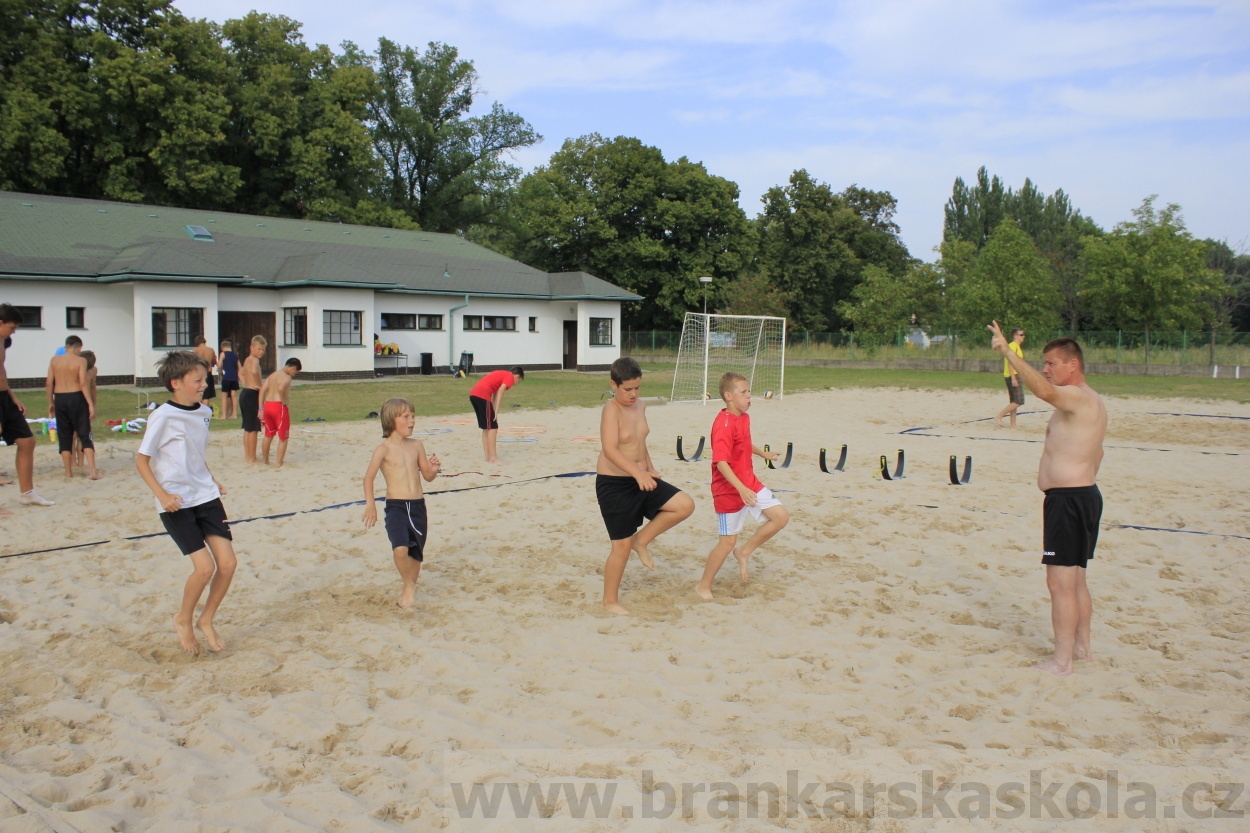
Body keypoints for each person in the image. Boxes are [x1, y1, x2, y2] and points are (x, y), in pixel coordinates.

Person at [989, 321, 1107, 676]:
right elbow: (1097, 454)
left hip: (1069, 501)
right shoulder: (1092, 402)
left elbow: (1041, 391)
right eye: (1044, 362)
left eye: (1052, 363)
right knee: (1076, 580)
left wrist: (1008, 352)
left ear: (1073, 365)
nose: (1045, 369)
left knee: (1059, 583)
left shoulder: (1074, 397)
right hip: (1083, 496)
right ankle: (1082, 647)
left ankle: (1062, 661)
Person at [135, 350, 237, 655]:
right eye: (197, 380)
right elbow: (142, 462)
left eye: (205, 379)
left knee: (228, 564)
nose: (203, 385)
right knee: (204, 568)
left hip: (205, 496)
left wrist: (210, 478)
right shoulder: (162, 416)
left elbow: (195, 454)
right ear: (175, 382)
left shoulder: (204, 413)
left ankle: (206, 619)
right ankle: (183, 618)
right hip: (176, 502)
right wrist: (163, 496)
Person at [596, 357, 694, 615]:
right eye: (627, 389)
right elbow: (609, 450)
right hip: (615, 484)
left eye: (638, 388)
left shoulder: (640, 406)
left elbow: (640, 441)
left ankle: (642, 541)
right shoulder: (611, 410)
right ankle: (609, 602)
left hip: (641, 476)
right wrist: (639, 473)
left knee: (684, 505)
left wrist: (648, 468)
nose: (634, 394)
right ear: (613, 385)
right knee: (621, 546)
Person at [696, 372, 789, 600]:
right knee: (726, 542)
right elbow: (721, 462)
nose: (750, 397)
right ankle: (703, 586)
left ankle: (745, 551)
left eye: (749, 392)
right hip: (728, 490)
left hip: (749, 484)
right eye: (744, 392)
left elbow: (744, 443)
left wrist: (763, 453)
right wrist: (740, 489)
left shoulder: (744, 417)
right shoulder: (723, 424)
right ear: (729, 396)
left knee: (781, 517)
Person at [362, 397, 442, 609]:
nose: (412, 421)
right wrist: (371, 505)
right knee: (400, 549)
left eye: (413, 416)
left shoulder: (417, 445)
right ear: (391, 420)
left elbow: (427, 475)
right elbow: (368, 477)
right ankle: (407, 585)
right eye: (406, 416)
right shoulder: (383, 449)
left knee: (415, 555)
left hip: (417, 506)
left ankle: (410, 588)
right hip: (396, 506)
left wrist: (433, 470)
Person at [0, 304, 54, 508]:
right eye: (12, 327)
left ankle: (27, 493)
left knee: (27, 441)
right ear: (0, 323)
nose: (14, 332)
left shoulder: (3, 340)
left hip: (4, 396)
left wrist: (12, 396)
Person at [46, 335, 99, 480]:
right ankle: (92, 471)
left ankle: (68, 472)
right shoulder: (81, 360)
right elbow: (82, 383)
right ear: (78, 347)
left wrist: (50, 402)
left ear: (65, 347)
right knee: (84, 433)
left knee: (65, 436)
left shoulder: (54, 360)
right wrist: (90, 404)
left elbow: (49, 383)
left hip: (60, 398)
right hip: (76, 397)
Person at [468, 366, 524, 463]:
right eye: (518, 382)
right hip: (482, 395)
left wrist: (494, 412)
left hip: (474, 395)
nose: (516, 384)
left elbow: (495, 394)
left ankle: (487, 456)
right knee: (493, 427)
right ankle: (493, 458)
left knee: (486, 427)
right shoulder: (509, 376)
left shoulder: (501, 374)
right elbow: (501, 390)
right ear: (517, 376)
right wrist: (496, 411)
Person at [260, 358, 302, 467]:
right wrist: (284, 400)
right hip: (278, 406)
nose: (293, 375)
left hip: (268, 405)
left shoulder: (273, 375)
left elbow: (262, 390)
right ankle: (279, 462)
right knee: (283, 436)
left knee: (268, 435)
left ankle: (265, 461)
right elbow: (281, 388)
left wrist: (261, 408)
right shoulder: (286, 377)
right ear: (293, 368)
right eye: (295, 372)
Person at [239, 335, 266, 463]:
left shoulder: (247, 360)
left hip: (245, 392)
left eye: (263, 350)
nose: (261, 352)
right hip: (251, 394)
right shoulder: (254, 360)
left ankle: (247, 456)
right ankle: (252, 457)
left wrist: (246, 383)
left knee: (248, 428)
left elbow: (241, 373)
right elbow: (254, 372)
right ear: (252, 348)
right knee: (253, 428)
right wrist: (260, 385)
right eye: (259, 349)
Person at [995, 327, 1026, 428]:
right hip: (1012, 375)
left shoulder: (1016, 346)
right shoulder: (1013, 346)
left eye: (1023, 335)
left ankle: (1013, 424)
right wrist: (1013, 378)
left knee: (1014, 400)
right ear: (1015, 336)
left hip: (1013, 375)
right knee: (1019, 400)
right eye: (1021, 335)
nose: (1023, 337)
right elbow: (1010, 362)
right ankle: (999, 416)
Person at [73, 350, 98, 472]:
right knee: (74, 434)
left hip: (84, 403)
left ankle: (81, 462)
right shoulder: (76, 368)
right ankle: (74, 462)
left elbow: (92, 387)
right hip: (76, 401)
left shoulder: (93, 370)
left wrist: (93, 404)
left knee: (82, 435)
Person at [193, 336, 218, 417]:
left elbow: (192, 362)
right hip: (208, 373)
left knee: (199, 393)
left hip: (198, 374)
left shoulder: (196, 350)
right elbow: (214, 361)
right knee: (206, 395)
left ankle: (199, 412)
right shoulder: (210, 350)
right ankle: (205, 413)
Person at [219, 340, 239, 419]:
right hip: (234, 378)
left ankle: (224, 415)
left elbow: (220, 364)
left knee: (224, 396)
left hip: (226, 377)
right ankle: (234, 414)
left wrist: (220, 371)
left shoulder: (223, 354)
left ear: (223, 347)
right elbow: (239, 367)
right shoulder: (235, 355)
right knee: (233, 395)